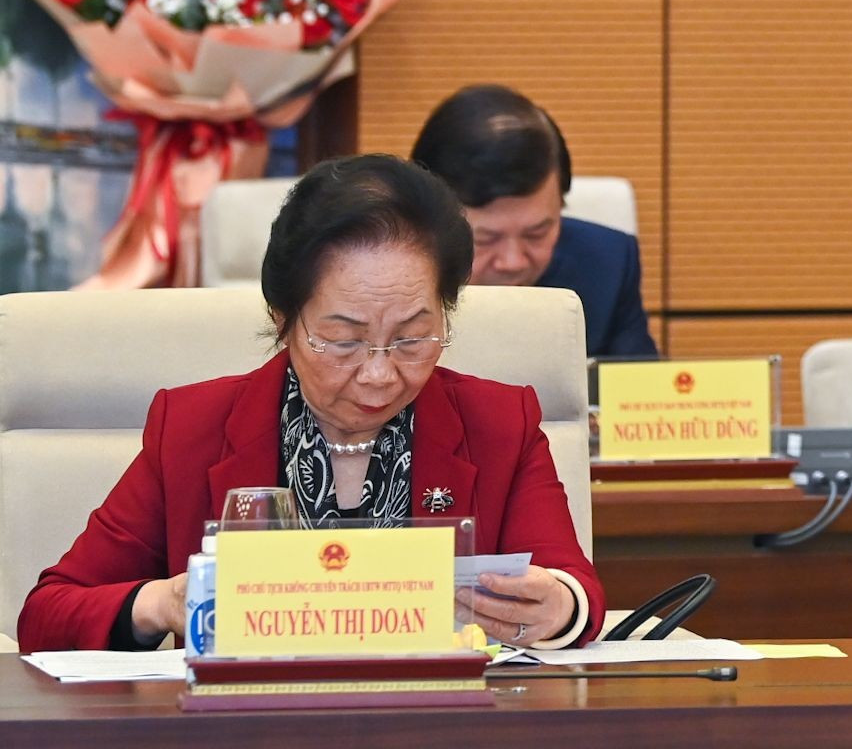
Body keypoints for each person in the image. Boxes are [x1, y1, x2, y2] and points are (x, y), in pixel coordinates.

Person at [17, 154, 606, 652]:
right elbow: (47, 615)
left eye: (410, 337)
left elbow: (575, 590)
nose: (379, 373)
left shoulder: (500, 423)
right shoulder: (193, 428)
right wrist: (166, 601)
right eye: (344, 341)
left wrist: (559, 606)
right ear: (284, 320)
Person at [411, 85, 655, 357]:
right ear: (426, 221)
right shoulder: (376, 283)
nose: (513, 262)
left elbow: (638, 389)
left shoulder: (607, 265)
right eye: (485, 239)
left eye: (537, 234)